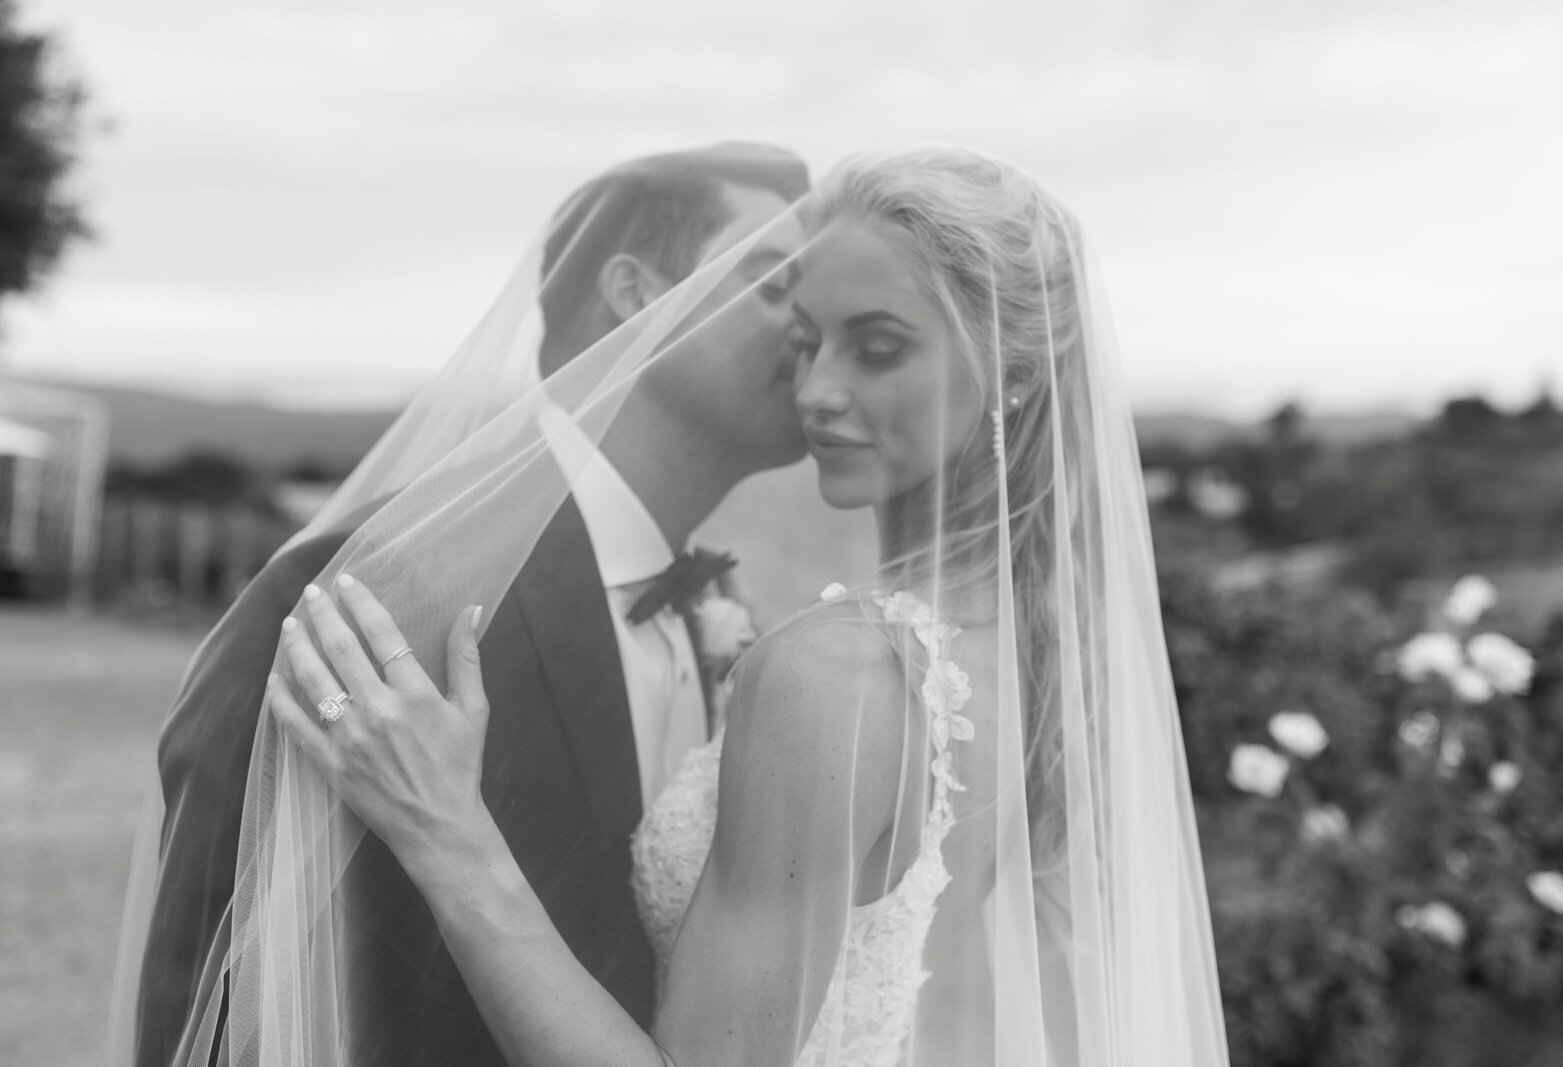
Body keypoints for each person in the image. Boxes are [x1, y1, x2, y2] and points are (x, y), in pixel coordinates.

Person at [264, 146, 1232, 1065]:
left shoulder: (839, 670)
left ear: (1015, 371)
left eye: (878, 348)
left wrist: (447, 832)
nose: (816, 390)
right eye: (806, 340)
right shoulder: (1042, 640)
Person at [118, 142, 811, 1067]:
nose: (812, 331)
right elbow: (214, 988)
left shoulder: (719, 617)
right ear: (637, 294)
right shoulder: (370, 587)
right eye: (772, 284)